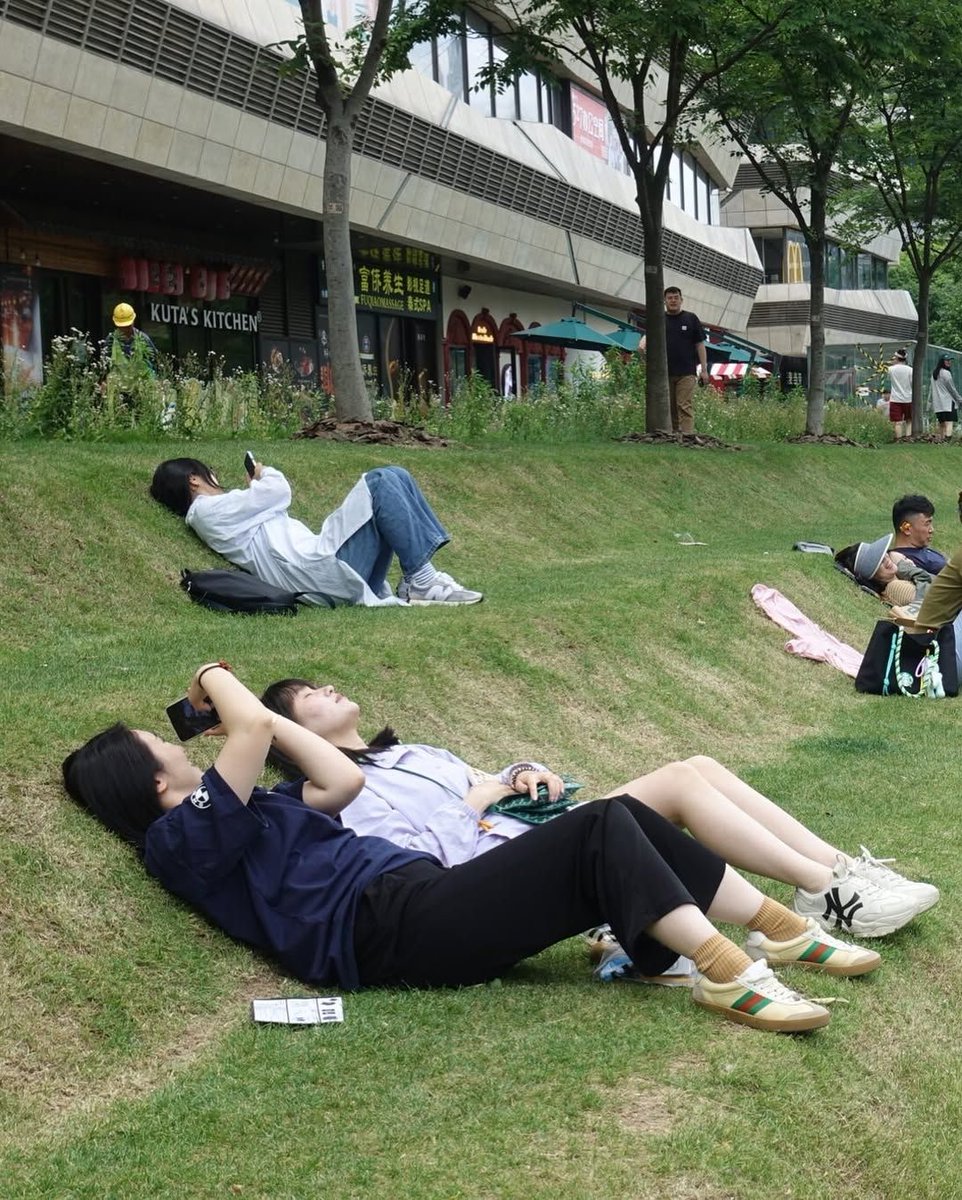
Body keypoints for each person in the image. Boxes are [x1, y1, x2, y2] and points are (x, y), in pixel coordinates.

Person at [61, 663, 884, 1035]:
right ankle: (728, 974)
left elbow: (338, 785)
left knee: (614, 818)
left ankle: (777, 924)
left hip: (415, 903)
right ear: (142, 773)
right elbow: (241, 727)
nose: (169, 738)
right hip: (386, 929)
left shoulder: (242, 811)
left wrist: (272, 721)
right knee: (596, 826)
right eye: (152, 738)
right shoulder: (177, 839)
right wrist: (215, 677)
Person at [260, 677, 936, 947]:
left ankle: (838, 871)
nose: (325, 687)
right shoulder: (339, 800)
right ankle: (823, 895)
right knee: (678, 779)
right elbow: (426, 863)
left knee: (697, 766)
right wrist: (480, 800)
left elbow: (490, 776)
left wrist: (523, 772)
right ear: (294, 735)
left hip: (536, 831)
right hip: (508, 868)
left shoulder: (410, 752)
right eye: (305, 696)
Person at [149, 459, 482, 608]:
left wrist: (257, 491)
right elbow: (278, 492)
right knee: (379, 482)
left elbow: (265, 502)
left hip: (320, 569)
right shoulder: (205, 512)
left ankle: (417, 579)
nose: (215, 476)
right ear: (194, 479)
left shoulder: (220, 512)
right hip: (318, 570)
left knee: (395, 474)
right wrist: (264, 474)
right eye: (209, 473)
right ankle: (421, 580)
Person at [639, 287, 708, 435]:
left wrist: (704, 370)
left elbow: (700, 345)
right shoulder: (658, 319)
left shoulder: (691, 318)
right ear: (664, 301)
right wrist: (643, 347)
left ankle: (688, 436)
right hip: (665, 373)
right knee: (670, 408)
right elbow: (646, 339)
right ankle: (675, 436)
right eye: (670, 298)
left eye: (676, 297)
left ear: (681, 300)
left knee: (684, 405)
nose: (673, 300)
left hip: (687, 372)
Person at [835, 533, 933, 609]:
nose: (887, 560)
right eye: (879, 562)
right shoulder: (895, 588)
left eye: (884, 554)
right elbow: (931, 598)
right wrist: (906, 568)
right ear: (873, 577)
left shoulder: (899, 578)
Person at [891, 494, 947, 574]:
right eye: (927, 524)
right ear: (906, 528)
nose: (932, 530)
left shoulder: (922, 552)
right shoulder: (907, 562)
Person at [882, 349, 913, 440]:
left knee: (897, 422)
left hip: (895, 399)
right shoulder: (910, 370)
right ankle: (908, 438)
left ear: (896, 358)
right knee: (909, 420)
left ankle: (898, 439)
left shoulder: (891, 369)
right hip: (908, 398)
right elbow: (912, 383)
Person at [930, 355, 962, 440]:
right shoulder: (946, 373)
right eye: (947, 360)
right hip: (948, 402)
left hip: (938, 403)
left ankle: (941, 439)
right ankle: (947, 440)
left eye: (950, 360)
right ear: (942, 361)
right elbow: (952, 389)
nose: (949, 362)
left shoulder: (934, 374)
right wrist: (959, 399)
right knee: (949, 422)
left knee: (942, 423)